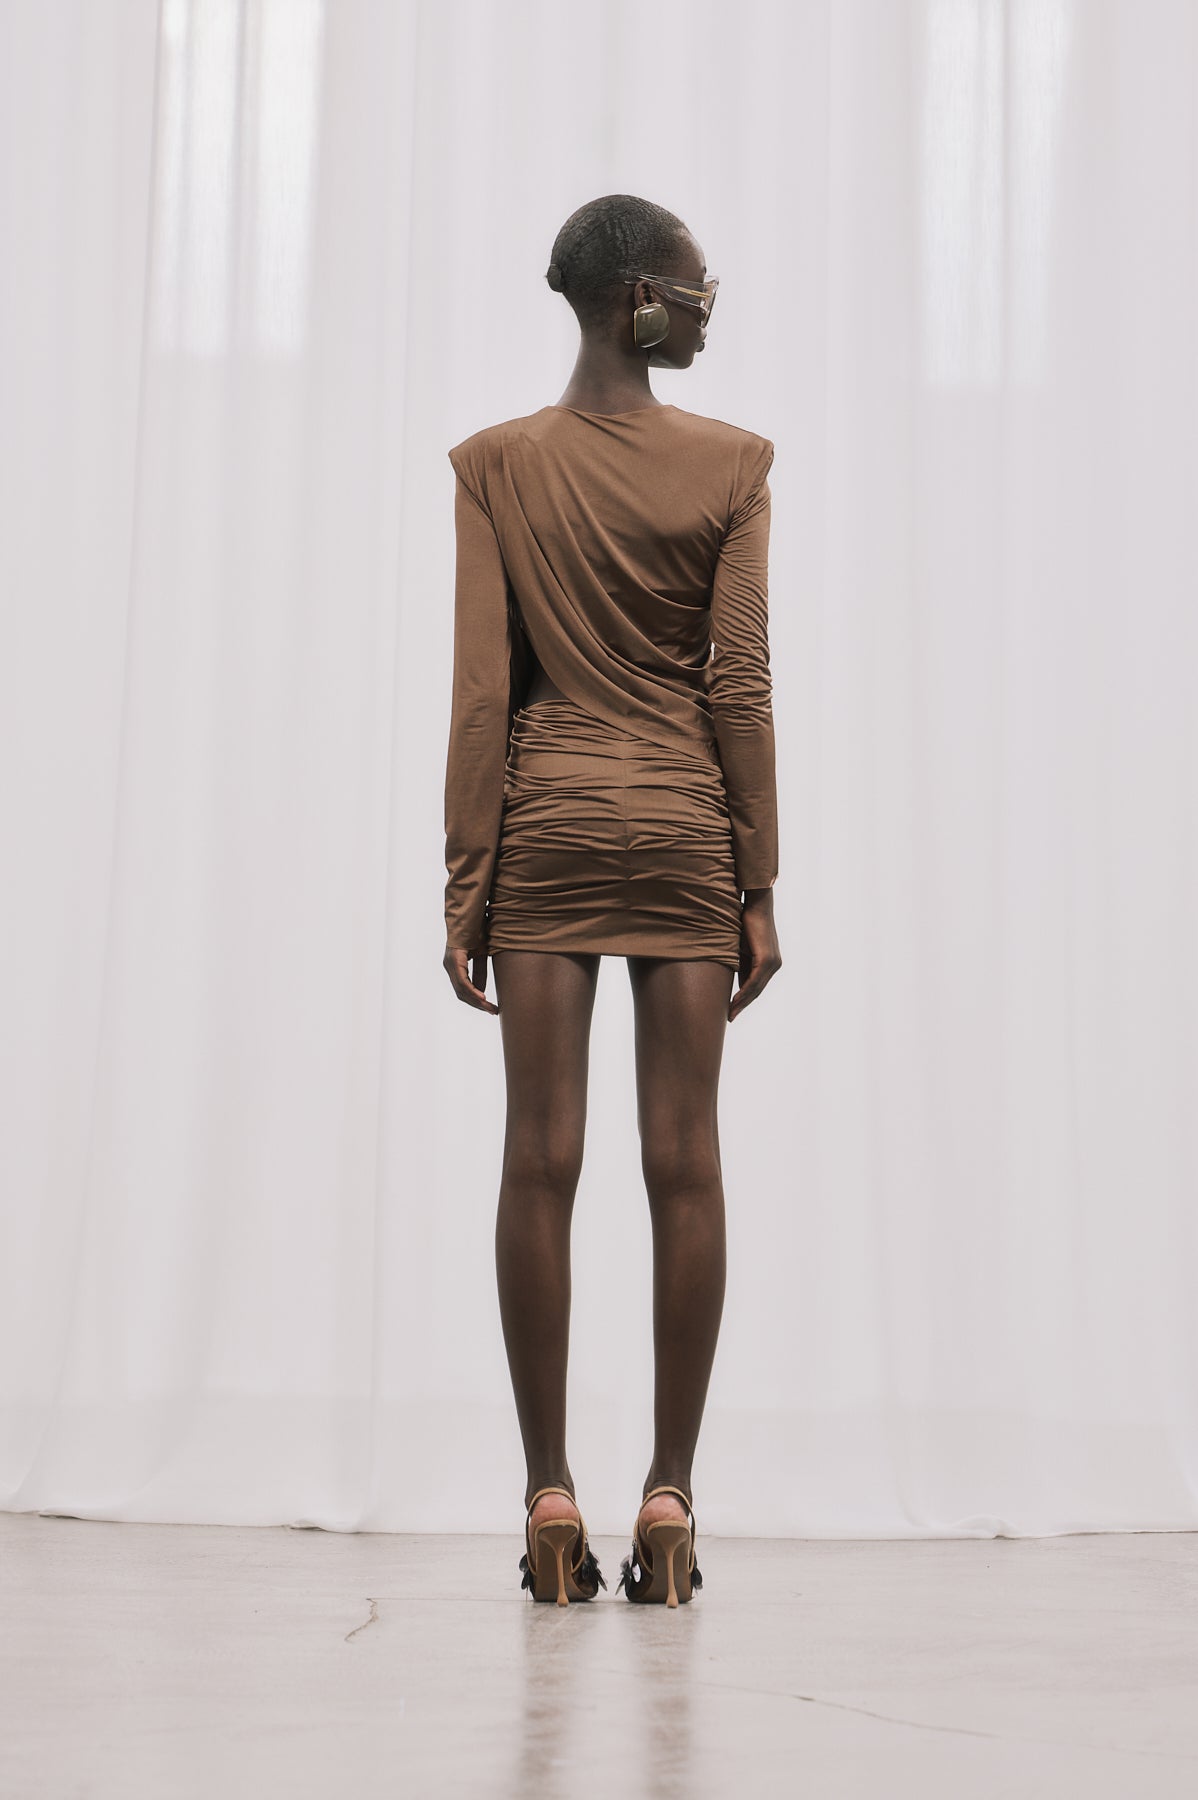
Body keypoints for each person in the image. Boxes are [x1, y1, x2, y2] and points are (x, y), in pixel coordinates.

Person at [442, 194, 782, 1606]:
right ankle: (669, 1496)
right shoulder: (734, 466)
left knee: (539, 1161)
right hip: (688, 835)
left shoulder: (495, 466)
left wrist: (468, 881)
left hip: (552, 832)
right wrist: (758, 878)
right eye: (698, 288)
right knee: (685, 1163)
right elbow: (739, 684)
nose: (708, 308)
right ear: (643, 298)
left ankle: (548, 1496)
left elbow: (484, 693)